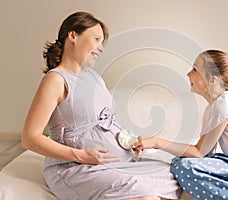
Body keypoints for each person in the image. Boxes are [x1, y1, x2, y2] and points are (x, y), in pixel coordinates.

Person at [21, 11, 181, 200]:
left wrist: (127, 144)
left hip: (119, 163)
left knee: (177, 173)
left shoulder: (93, 76)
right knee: (147, 197)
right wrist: (82, 156)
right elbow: (29, 138)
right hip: (77, 169)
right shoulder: (56, 80)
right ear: (73, 36)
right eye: (96, 39)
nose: (101, 48)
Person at [135, 50, 228, 199]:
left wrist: (157, 142)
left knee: (184, 166)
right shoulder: (219, 105)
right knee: (184, 162)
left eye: (195, 69)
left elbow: (199, 152)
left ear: (213, 80)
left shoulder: (225, 104)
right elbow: (206, 154)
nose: (188, 74)